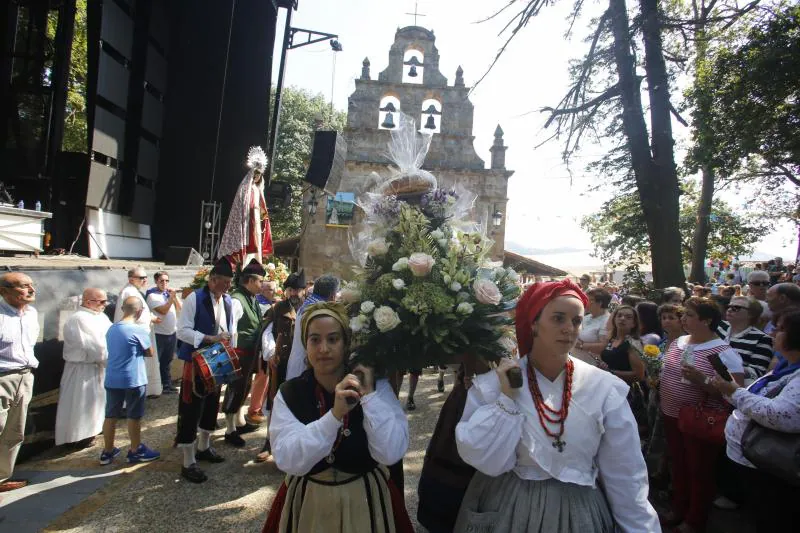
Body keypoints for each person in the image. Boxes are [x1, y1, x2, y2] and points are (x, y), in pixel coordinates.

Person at [453, 280, 659, 532]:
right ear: (534, 323)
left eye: (576, 321)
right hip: (510, 506)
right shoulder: (494, 385)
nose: (569, 329)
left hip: (579, 510)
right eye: (558, 318)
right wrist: (506, 400)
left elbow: (625, 473)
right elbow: (485, 459)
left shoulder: (603, 388)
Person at [262, 302, 413, 533]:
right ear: (305, 344)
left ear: (345, 344)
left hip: (365, 501)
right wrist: (334, 416)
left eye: (333, 339)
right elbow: (287, 459)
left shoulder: (375, 387)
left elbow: (390, 452)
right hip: (308, 503)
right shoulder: (291, 392)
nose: (323, 348)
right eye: (315, 340)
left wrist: (369, 394)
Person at [658, 297, 745, 533]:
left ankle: (695, 520)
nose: (682, 318)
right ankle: (678, 508)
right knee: (679, 465)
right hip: (671, 414)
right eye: (683, 314)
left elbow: (735, 395)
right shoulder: (678, 342)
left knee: (699, 470)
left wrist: (704, 382)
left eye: (689, 315)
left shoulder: (723, 352)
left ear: (706, 321)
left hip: (699, 421)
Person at [711, 309, 800, 530]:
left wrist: (735, 392)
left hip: (774, 467)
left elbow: (780, 415)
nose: (772, 335)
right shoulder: (785, 367)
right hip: (755, 461)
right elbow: (754, 400)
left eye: (779, 330)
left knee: (773, 518)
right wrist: (728, 389)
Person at [175, 257, 236, 483]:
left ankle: (204, 447)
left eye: (229, 283)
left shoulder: (228, 301)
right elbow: (182, 331)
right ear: (212, 280)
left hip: (216, 360)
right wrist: (209, 338)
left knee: (211, 405)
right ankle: (188, 461)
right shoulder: (194, 298)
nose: (227, 287)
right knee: (192, 408)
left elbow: (228, 328)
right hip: (196, 361)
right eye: (224, 282)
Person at [101, 296, 160, 465]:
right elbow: (150, 352)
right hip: (133, 378)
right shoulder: (138, 330)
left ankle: (107, 451)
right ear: (140, 311)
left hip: (112, 377)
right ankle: (135, 450)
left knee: (110, 414)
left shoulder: (112, 329)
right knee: (134, 416)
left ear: (123, 309)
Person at [255, 271, 305, 463]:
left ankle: (297, 442)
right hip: (281, 363)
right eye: (290, 289)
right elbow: (267, 332)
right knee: (275, 401)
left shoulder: (309, 309)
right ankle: (269, 442)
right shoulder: (277, 309)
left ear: (302, 291)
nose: (293, 293)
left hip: (303, 365)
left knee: (300, 402)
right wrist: (270, 354)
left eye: (297, 290)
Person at [55, 288, 112, 447]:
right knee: (81, 404)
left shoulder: (101, 316)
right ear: (88, 302)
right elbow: (93, 346)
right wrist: (109, 359)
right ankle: (77, 437)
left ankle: (92, 432)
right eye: (101, 301)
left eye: (105, 301)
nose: (104, 304)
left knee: (96, 403)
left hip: (98, 367)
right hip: (83, 369)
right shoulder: (80, 318)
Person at [0, 272, 39, 492]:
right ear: (4, 291)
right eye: (24, 286)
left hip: (25, 376)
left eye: (32, 285)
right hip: (2, 377)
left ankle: (2, 477)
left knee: (14, 432)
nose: (31, 290)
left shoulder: (31, 313)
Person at [221, 259, 265, 447]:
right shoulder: (238, 300)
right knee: (236, 389)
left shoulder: (251, 297)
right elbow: (229, 329)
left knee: (243, 388)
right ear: (250, 281)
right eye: (260, 281)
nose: (262, 285)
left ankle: (238, 422)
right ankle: (230, 429)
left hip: (249, 353)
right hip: (239, 353)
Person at [218, 146, 273, 265]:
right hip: (248, 220)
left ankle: (256, 263)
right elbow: (240, 205)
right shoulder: (245, 187)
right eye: (256, 173)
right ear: (252, 173)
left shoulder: (259, 189)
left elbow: (261, 205)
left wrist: (264, 217)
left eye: (259, 174)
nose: (257, 175)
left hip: (257, 219)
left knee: (257, 241)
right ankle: (244, 265)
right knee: (250, 241)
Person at [115, 267, 161, 397]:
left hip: (141, 334)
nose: (145, 280)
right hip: (134, 336)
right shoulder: (129, 292)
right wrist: (150, 318)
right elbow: (132, 314)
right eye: (141, 278)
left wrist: (151, 317)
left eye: (146, 277)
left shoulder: (134, 290)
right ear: (131, 279)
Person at [285, 274, 340, 381]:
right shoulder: (318, 311)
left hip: (297, 366)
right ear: (333, 296)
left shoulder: (308, 304)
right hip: (306, 370)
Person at [717, 296, 774, 384]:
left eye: (736, 308)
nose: (729, 310)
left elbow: (758, 373)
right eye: (729, 306)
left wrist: (732, 366)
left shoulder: (762, 339)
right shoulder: (718, 326)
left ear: (751, 314)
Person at [146, 271, 181, 394]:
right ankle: (157, 386)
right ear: (156, 282)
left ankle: (167, 384)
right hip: (159, 334)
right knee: (158, 361)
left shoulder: (168, 295)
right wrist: (171, 298)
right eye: (162, 281)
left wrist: (174, 297)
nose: (164, 283)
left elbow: (180, 309)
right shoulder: (152, 296)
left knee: (168, 360)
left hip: (171, 333)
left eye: (167, 281)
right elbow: (163, 311)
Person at [572, 287, 611, 365]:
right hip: (576, 361)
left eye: (590, 300)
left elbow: (603, 346)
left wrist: (581, 345)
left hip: (591, 365)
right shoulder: (586, 317)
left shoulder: (607, 320)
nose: (585, 302)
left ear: (599, 303)